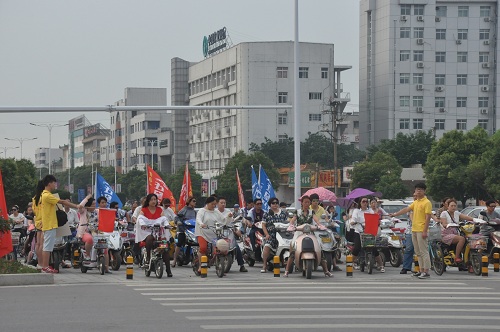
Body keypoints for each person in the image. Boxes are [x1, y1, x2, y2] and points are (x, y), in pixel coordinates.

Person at [39, 175, 82, 273]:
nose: (55, 185)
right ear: (49, 183)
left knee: (48, 246)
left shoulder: (44, 194)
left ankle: (45, 266)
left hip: (49, 223)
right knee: (48, 247)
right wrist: (76, 206)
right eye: (54, 183)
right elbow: (62, 201)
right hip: (49, 224)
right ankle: (45, 266)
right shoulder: (47, 195)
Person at [283, 195, 333, 277]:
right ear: (302, 203)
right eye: (305, 202)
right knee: (292, 249)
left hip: (311, 233)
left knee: (319, 248)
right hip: (299, 233)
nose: (306, 204)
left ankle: (326, 271)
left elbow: (316, 219)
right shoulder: (297, 212)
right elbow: (293, 219)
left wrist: (319, 225)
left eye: (308, 202)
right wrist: (291, 225)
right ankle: (287, 270)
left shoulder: (311, 212)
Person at [391, 183, 432, 279]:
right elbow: (406, 209)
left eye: (421, 189)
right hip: (414, 229)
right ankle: (421, 270)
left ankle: (426, 271)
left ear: (424, 191)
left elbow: (428, 217)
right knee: (417, 252)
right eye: (417, 189)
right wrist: (395, 214)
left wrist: (425, 231)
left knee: (424, 251)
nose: (419, 191)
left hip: (422, 230)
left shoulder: (427, 202)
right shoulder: (416, 202)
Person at [137, 193, 173, 277]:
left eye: (155, 199)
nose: (154, 201)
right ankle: (148, 258)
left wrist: (167, 225)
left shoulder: (160, 210)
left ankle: (168, 269)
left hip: (158, 233)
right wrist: (143, 224)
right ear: (148, 201)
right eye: (152, 200)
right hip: (147, 232)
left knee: (165, 248)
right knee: (149, 238)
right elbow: (140, 219)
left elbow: (164, 219)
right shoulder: (144, 209)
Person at [194, 196, 231, 274]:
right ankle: (201, 266)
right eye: (212, 204)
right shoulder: (202, 211)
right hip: (202, 233)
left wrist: (229, 217)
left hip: (214, 233)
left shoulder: (216, 212)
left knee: (218, 249)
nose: (214, 206)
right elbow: (198, 219)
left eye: (215, 204)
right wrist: (201, 224)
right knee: (203, 248)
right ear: (207, 203)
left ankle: (219, 266)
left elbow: (223, 220)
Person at [350, 197, 385, 272]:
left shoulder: (370, 210)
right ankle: (351, 263)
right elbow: (353, 219)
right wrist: (353, 222)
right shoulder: (356, 211)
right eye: (363, 201)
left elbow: (374, 218)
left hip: (369, 231)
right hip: (359, 231)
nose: (365, 203)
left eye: (366, 201)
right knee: (357, 248)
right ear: (360, 203)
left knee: (374, 248)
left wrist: (377, 222)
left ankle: (381, 265)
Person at [216, 196, 248, 272]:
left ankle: (241, 265)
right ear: (217, 204)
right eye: (221, 203)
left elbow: (231, 221)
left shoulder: (228, 212)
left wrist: (231, 219)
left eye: (224, 203)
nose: (223, 204)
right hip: (218, 233)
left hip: (227, 232)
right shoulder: (214, 212)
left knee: (236, 247)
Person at [440, 198, 475, 264]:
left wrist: (475, 219)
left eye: (455, 206)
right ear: (448, 206)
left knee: (468, 239)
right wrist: (449, 224)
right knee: (461, 239)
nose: (453, 207)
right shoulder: (444, 213)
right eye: (452, 206)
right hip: (446, 235)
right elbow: (444, 224)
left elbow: (466, 217)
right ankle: (457, 257)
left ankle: (467, 259)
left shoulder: (457, 213)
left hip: (456, 233)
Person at [261, 197, 288, 273]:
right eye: (273, 203)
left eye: (276, 203)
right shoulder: (266, 214)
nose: (275, 204)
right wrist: (266, 235)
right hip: (271, 235)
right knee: (267, 246)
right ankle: (264, 265)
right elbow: (263, 225)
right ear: (270, 205)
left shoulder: (283, 213)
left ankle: (287, 264)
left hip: (282, 234)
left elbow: (287, 223)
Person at [171, 197, 197, 267]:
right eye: (193, 201)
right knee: (179, 243)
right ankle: (174, 260)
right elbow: (176, 218)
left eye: (195, 201)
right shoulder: (183, 210)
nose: (195, 202)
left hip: (192, 231)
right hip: (183, 230)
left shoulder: (194, 212)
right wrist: (179, 222)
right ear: (189, 201)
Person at [400, 194, 416, 274]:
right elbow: (410, 215)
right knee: (409, 249)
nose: (415, 197)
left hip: (421, 230)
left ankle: (420, 268)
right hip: (411, 231)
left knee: (419, 251)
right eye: (414, 196)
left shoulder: (425, 204)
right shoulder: (411, 206)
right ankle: (406, 267)